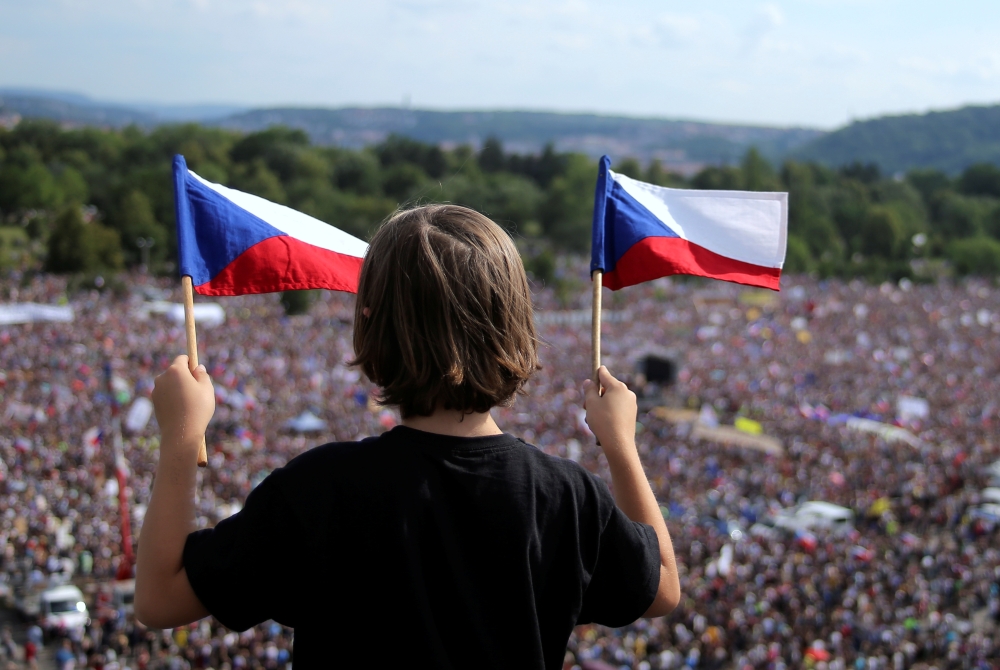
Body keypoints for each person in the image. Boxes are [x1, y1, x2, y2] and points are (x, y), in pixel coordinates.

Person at [135, 204, 680, 668]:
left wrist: (182, 437)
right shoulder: (567, 496)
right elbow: (661, 589)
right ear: (515, 325)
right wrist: (621, 446)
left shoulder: (320, 490)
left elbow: (160, 601)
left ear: (371, 325)